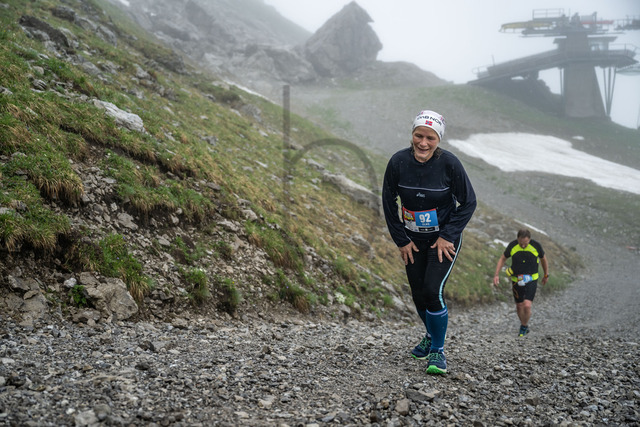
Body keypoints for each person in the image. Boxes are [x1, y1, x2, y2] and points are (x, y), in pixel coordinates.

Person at [382, 109, 477, 375]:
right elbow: (388, 202)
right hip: (412, 240)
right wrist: (401, 239)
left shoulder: (450, 164)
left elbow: (469, 202)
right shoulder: (398, 162)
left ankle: (437, 350)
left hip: (442, 241)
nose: (423, 143)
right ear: (412, 134)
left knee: (432, 290)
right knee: (418, 293)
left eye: (430, 138)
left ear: (439, 140)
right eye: (418, 136)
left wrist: (448, 235)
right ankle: (430, 334)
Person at [492, 229, 549, 336]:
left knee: (527, 305)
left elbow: (543, 260)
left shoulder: (536, 245)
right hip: (516, 280)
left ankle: (523, 326)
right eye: (521, 243)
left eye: (525, 243)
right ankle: (524, 325)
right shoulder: (513, 245)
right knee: (519, 306)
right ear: (517, 239)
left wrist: (546, 275)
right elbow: (502, 258)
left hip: (532, 279)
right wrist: (496, 274)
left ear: (529, 239)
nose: (523, 246)